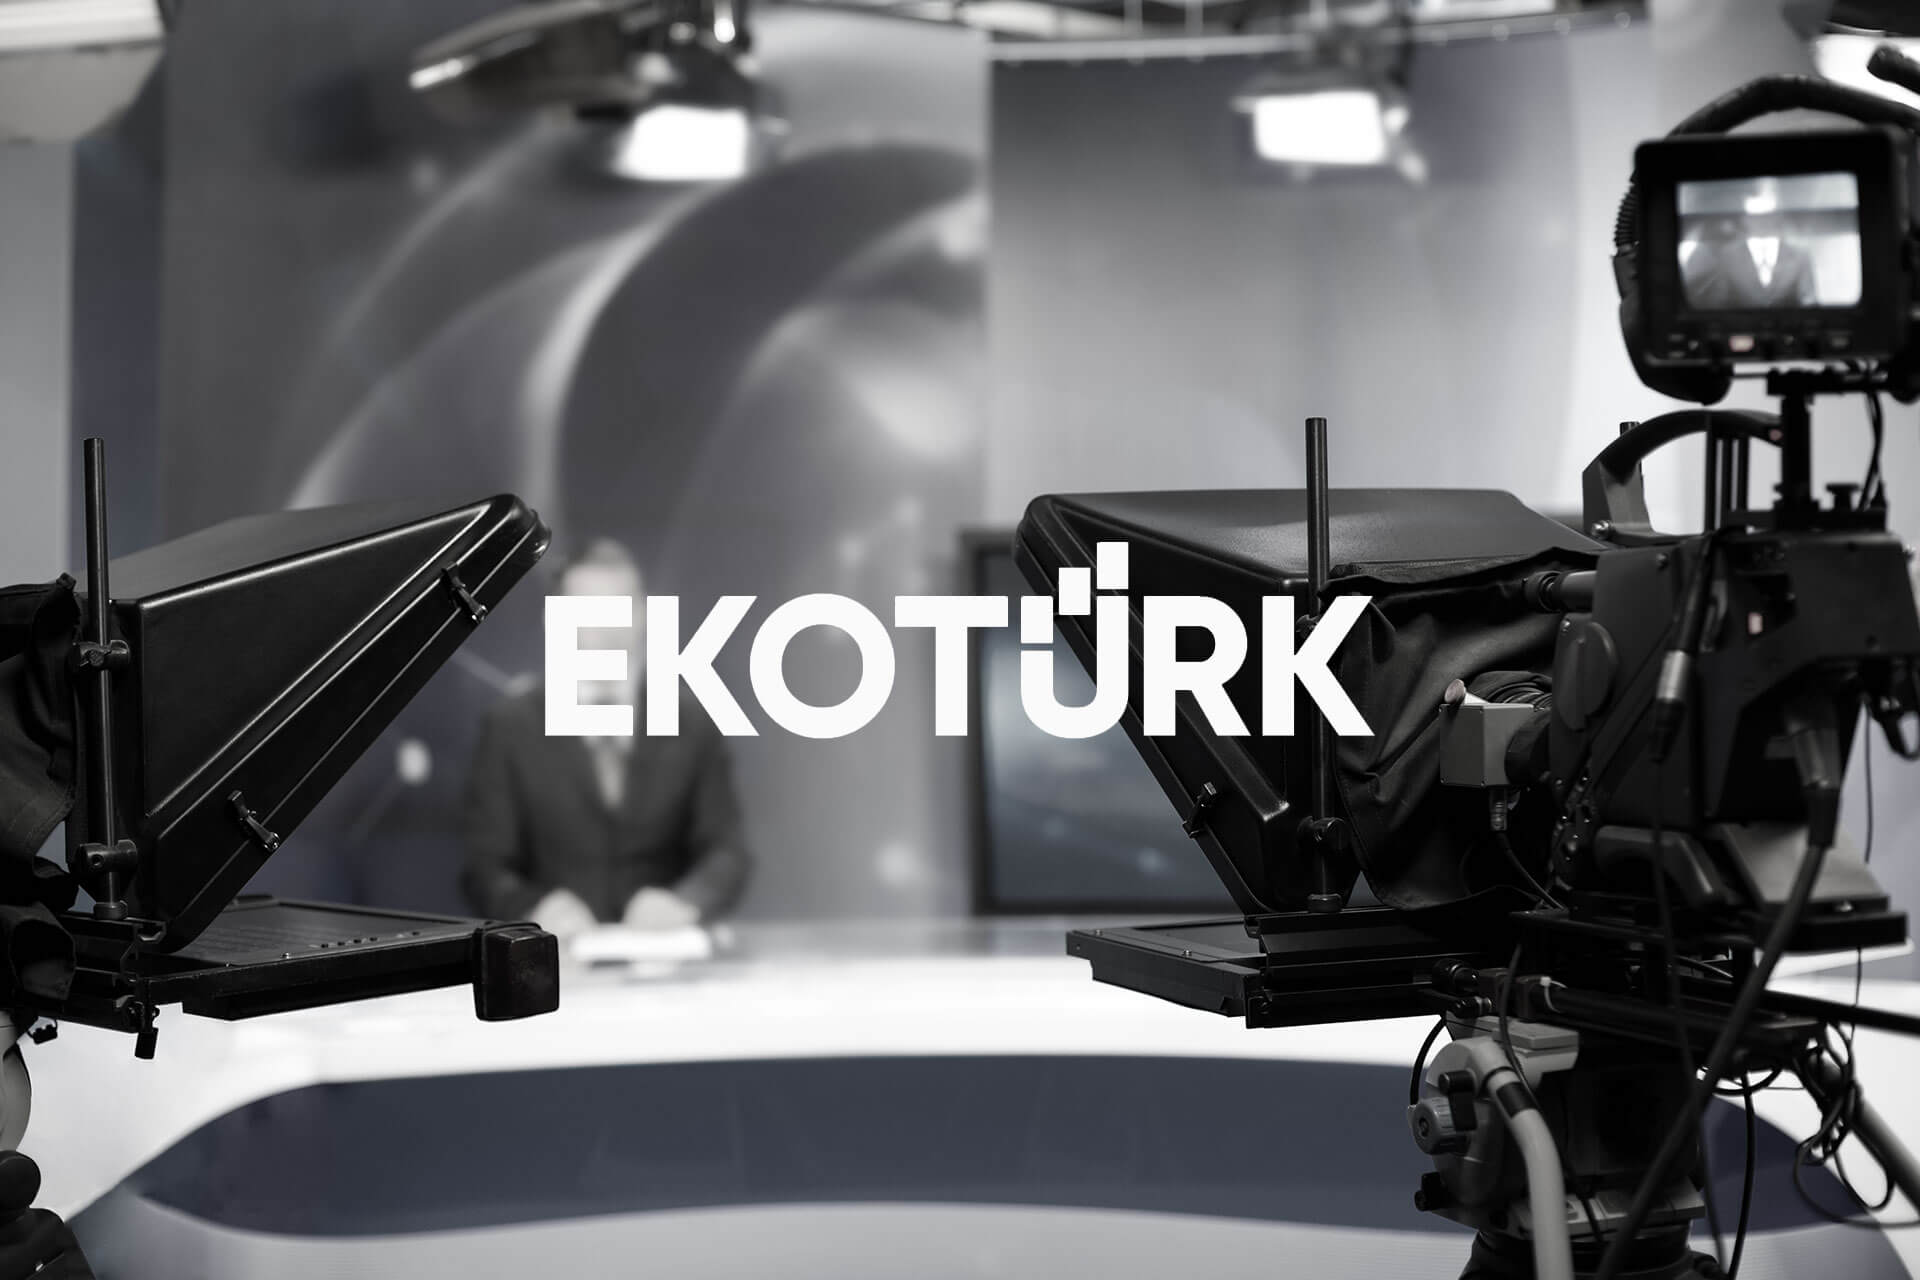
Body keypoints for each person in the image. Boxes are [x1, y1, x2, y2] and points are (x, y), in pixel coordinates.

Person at [462, 539, 751, 937]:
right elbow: (485, 866)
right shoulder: (511, 725)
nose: (607, 625)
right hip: (554, 956)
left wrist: (685, 901)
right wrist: (534, 906)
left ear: (644, 614)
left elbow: (727, 852)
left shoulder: (693, 722)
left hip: (665, 957)